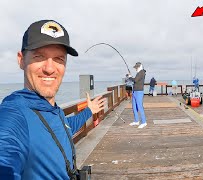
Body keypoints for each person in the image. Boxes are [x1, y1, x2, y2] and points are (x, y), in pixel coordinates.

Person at [0, 20, 106, 179]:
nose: (49, 68)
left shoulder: (53, 111)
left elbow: (65, 128)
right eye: (39, 56)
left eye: (59, 59)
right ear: (21, 60)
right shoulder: (14, 114)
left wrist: (89, 110)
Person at [129, 62, 147, 128]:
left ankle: (144, 122)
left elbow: (136, 80)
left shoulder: (142, 72)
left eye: (137, 67)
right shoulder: (138, 73)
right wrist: (131, 78)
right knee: (134, 107)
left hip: (139, 92)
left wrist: (130, 77)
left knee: (140, 107)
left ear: (140, 66)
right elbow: (136, 80)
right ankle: (136, 121)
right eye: (135, 67)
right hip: (134, 91)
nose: (136, 68)